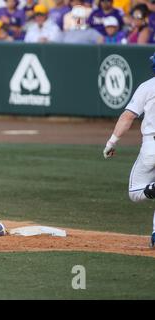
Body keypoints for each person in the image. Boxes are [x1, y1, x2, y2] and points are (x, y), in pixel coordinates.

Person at [103, 53, 155, 249]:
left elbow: (127, 117)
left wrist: (112, 142)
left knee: (136, 192)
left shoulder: (148, 86)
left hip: (152, 146)